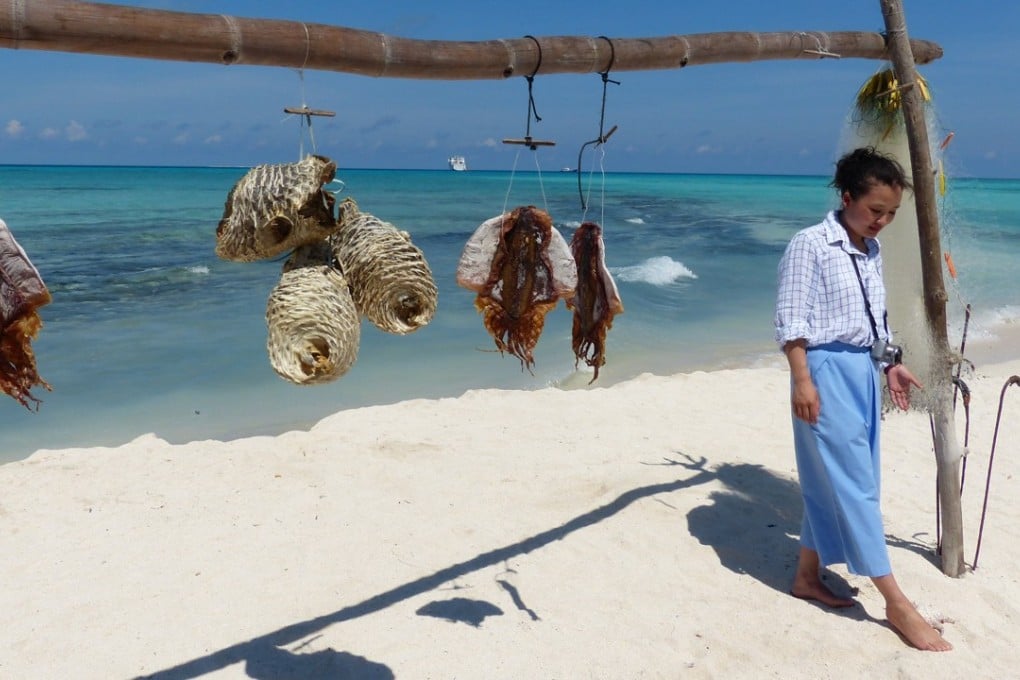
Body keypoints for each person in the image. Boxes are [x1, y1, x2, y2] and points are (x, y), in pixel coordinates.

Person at [774, 147, 952, 652]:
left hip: (862, 371)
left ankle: (807, 575)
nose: (883, 221)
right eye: (876, 209)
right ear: (847, 197)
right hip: (823, 371)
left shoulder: (870, 250)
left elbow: (873, 320)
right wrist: (803, 381)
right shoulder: (810, 244)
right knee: (854, 486)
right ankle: (896, 602)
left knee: (846, 478)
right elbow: (791, 321)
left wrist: (890, 361)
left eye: (891, 213)